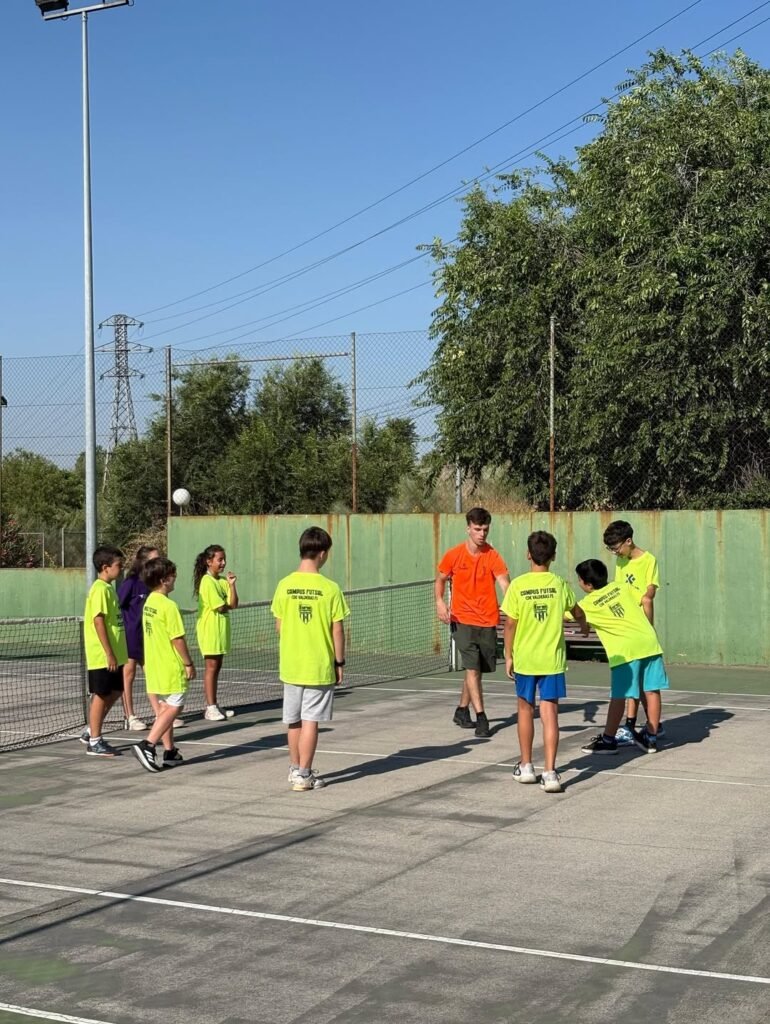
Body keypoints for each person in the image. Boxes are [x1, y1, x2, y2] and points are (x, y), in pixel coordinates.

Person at [501, 531, 588, 793]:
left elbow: (511, 623)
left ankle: (526, 766)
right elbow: (576, 610)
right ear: (553, 556)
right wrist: (583, 622)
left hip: (526, 659)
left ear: (529, 554)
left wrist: (508, 655)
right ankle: (550, 773)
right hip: (551, 660)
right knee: (550, 714)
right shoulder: (560, 584)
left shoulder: (517, 585)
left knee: (525, 710)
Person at [271, 526, 350, 792]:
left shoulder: (285, 584)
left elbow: (279, 626)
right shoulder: (330, 588)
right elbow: (336, 629)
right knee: (310, 721)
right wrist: (339, 662)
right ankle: (304, 774)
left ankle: (295, 769)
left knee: (293, 720)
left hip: (291, 664)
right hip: (318, 665)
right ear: (323, 554)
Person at [576, 559, 668, 755]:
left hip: (626, 651)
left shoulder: (587, 604)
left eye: (579, 579)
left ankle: (608, 740)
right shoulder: (622, 587)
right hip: (649, 640)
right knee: (651, 689)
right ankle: (651, 737)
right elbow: (644, 599)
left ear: (587, 584)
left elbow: (568, 614)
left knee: (618, 696)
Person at [435, 507, 510, 738]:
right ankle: (482, 717)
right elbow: (440, 579)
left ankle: (461, 710)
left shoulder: (493, 555)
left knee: (476, 669)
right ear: (468, 528)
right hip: (462, 620)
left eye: (485, 529)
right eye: (477, 529)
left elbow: (504, 582)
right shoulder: (454, 555)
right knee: (473, 668)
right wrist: (439, 602)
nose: (481, 534)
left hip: (487, 621)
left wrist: (513, 605)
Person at [132, 557, 196, 773]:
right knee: (175, 706)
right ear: (164, 580)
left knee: (164, 708)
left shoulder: (149, 601)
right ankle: (147, 744)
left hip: (154, 665)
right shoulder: (169, 606)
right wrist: (188, 663)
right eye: (172, 575)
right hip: (170, 666)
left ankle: (170, 752)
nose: (175, 578)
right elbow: (177, 639)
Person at [603, 520, 663, 744]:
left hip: (641, 630)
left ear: (628, 541)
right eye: (610, 549)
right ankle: (632, 724)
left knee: (648, 684)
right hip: (624, 627)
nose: (614, 552)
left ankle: (652, 729)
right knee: (633, 680)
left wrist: (647, 624)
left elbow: (649, 595)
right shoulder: (620, 560)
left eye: (616, 547)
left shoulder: (649, 561)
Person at [80, 545, 128, 757]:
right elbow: (98, 621)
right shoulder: (99, 589)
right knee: (101, 694)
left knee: (117, 691)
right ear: (105, 567)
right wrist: (108, 652)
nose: (122, 569)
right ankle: (95, 742)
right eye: (119, 565)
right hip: (102, 656)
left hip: (116, 655)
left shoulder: (109, 589)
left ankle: (91, 729)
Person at [193, 545, 239, 722]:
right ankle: (210, 707)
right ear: (209, 561)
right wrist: (226, 604)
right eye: (220, 559)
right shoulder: (206, 581)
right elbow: (220, 606)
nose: (223, 563)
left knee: (217, 667)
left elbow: (233, 604)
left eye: (224, 559)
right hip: (209, 631)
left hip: (221, 632)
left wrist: (232, 585)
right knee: (211, 668)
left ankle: (214, 704)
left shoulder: (222, 581)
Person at [116, 544, 158, 731]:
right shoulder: (130, 583)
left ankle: (161, 713)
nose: (158, 562)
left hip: (147, 636)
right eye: (153, 559)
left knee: (154, 675)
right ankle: (130, 717)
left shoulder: (152, 584)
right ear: (143, 561)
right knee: (128, 675)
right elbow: (118, 606)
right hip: (131, 636)